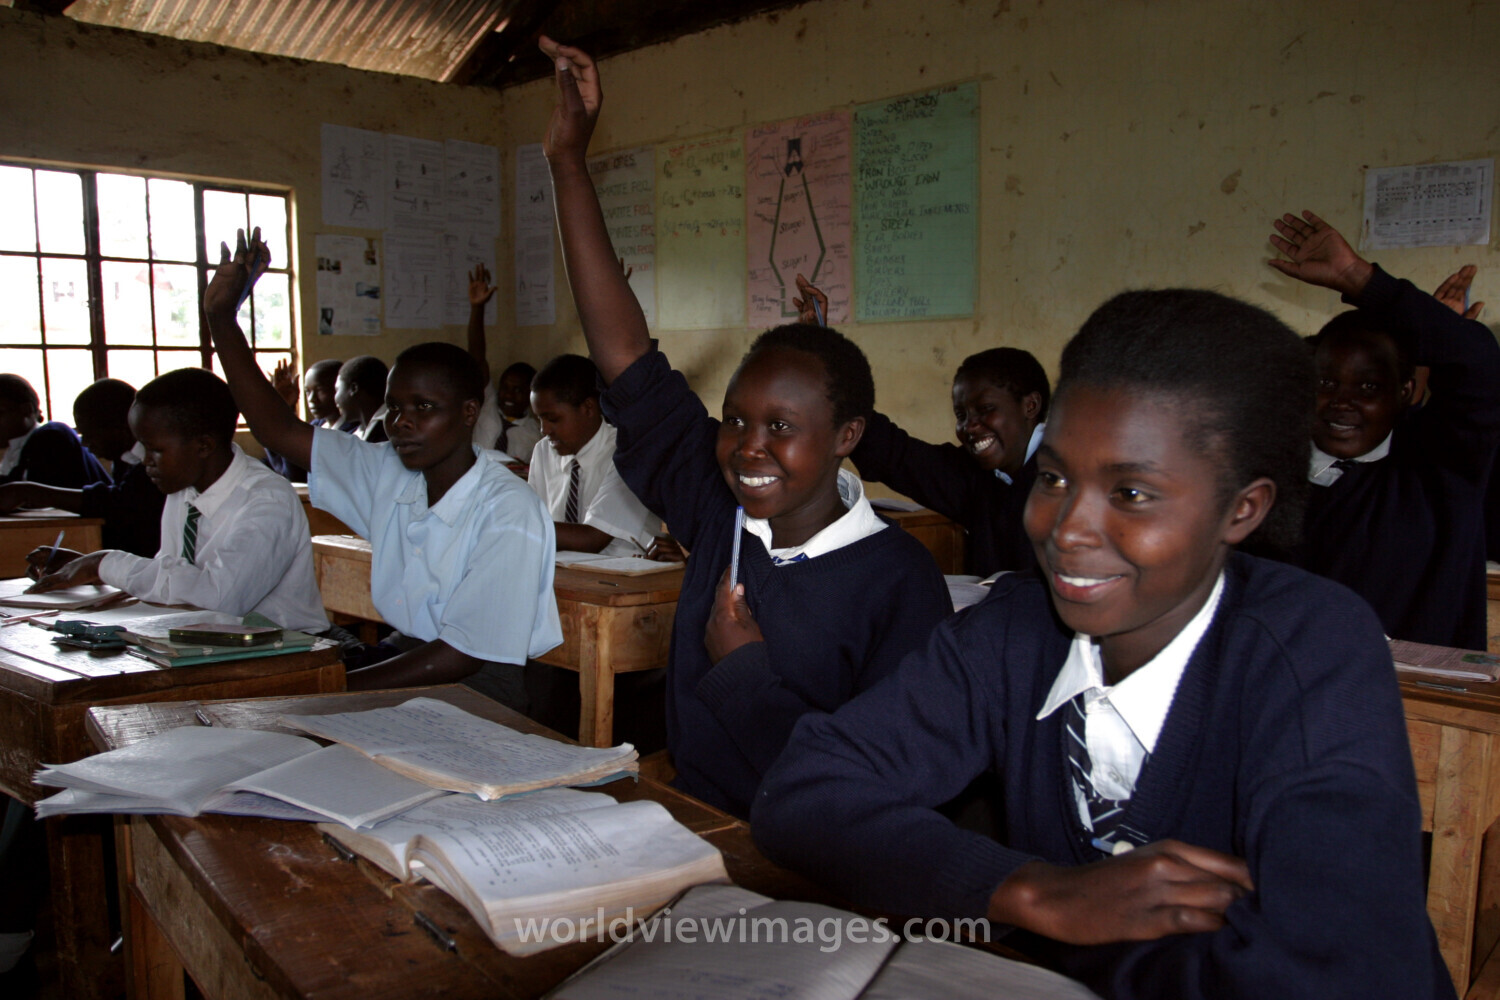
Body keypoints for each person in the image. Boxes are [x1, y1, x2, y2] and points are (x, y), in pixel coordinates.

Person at [753, 288, 1453, 999]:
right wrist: (1030, 892)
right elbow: (804, 789)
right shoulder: (1014, 631)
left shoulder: (1312, 649)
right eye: (1054, 477)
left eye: (1132, 494)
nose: (1067, 529)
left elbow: (1339, 968)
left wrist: (1076, 947)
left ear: (1242, 509)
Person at [542, 37, 950, 818]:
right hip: (693, 821)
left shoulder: (899, 583)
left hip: (811, 858)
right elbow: (625, 357)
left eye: (781, 426)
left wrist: (745, 674)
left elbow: (876, 791)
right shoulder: (717, 508)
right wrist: (567, 163)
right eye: (734, 419)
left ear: (848, 437)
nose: (748, 445)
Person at [202, 227, 562, 696]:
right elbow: (278, 431)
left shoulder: (508, 509)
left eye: (424, 408)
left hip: (477, 682)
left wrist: (335, 691)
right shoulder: (388, 469)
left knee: (296, 705)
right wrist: (221, 319)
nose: (401, 422)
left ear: (469, 413)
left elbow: (463, 653)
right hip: (408, 655)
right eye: (394, 407)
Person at [1268, 210, 1500, 649]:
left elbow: (1479, 363)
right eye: (1325, 383)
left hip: (1414, 691)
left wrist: (1360, 279)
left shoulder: (1439, 469)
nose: (1343, 401)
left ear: (1406, 391)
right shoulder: (1268, 475)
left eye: (1369, 387)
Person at [28, 367, 330, 634]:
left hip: (284, 648)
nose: (145, 460)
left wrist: (104, 563)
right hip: (206, 639)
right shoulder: (184, 491)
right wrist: (91, 569)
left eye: (154, 449)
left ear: (203, 445)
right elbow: (172, 574)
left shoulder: (267, 500)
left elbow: (220, 599)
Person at [794, 276, 1048, 576]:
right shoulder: (977, 477)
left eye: (986, 410)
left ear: (1030, 406)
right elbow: (895, 454)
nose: (969, 427)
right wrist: (823, 350)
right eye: (961, 415)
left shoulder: (1071, 476)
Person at [0, 378, 164, 556]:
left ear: (121, 426)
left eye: (89, 433)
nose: (85, 443)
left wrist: (28, 492)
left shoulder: (155, 464)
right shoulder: (124, 459)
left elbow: (119, 505)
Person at [527, 353, 660, 555]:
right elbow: (532, 515)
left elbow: (592, 539)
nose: (544, 430)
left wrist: (518, 525)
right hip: (562, 569)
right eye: (539, 419)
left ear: (588, 408)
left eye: (552, 419)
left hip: (622, 570)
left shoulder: (628, 453)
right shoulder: (544, 451)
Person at [466, 263, 543, 464]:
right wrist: (477, 308)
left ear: (531, 396)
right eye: (505, 388)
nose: (508, 395)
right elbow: (477, 359)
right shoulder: (486, 406)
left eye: (518, 390)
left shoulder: (536, 435)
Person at [0, 374, 107, 489]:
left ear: (26, 410)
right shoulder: (15, 449)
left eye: (1, 413)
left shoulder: (51, 437)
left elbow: (39, 495)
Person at [264, 358, 356, 481]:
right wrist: (282, 407)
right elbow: (280, 466)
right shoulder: (315, 426)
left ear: (340, 389)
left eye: (320, 390)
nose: (312, 399)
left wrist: (287, 414)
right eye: (307, 392)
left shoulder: (352, 433)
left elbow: (295, 475)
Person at [335, 355, 390, 443]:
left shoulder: (391, 429)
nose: (335, 398)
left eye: (337, 390)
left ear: (354, 388)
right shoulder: (354, 433)